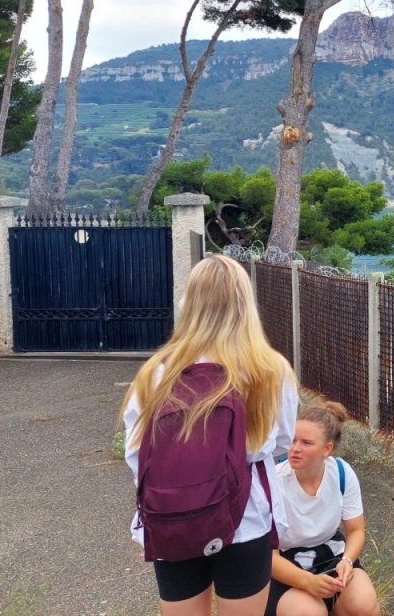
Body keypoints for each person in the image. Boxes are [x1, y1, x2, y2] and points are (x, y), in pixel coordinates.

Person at [122, 255, 298, 616]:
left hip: (172, 518)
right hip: (246, 517)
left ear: (190, 302)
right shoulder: (269, 369)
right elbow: (282, 441)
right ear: (245, 303)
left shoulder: (156, 372)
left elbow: (137, 454)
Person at [266, 399, 381, 616]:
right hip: (284, 565)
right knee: (309, 612)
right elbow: (267, 556)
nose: (295, 449)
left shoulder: (342, 473)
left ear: (327, 449)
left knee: (364, 605)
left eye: (306, 443)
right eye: (292, 440)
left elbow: (355, 531)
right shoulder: (273, 483)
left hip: (331, 554)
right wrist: (308, 581)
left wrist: (347, 560)